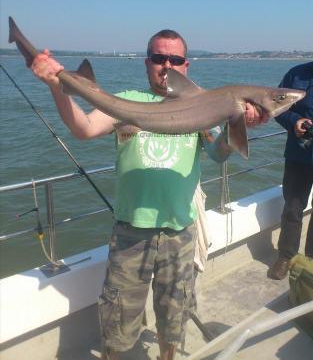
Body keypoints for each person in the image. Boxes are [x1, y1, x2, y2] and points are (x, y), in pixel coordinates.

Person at [31, 29, 266, 360]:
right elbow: (83, 129)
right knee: (118, 325)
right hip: (130, 234)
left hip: (179, 232)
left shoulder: (204, 107)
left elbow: (217, 154)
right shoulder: (127, 102)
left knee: (174, 319)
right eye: (158, 58)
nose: (166, 65)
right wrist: (58, 86)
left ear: (187, 65)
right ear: (146, 63)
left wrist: (237, 125)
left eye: (175, 59)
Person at [270, 24, 313, 280]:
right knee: (292, 210)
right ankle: (285, 257)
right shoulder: (296, 74)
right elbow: (275, 107)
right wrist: (294, 122)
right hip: (298, 156)